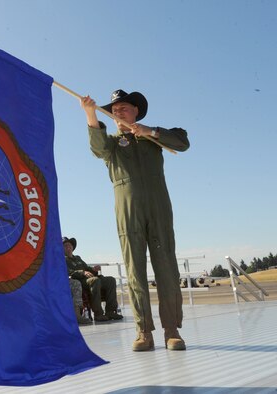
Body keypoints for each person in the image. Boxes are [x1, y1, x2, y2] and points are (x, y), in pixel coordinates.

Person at [80, 89, 190, 351]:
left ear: (136, 111)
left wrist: (150, 132)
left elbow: (183, 142)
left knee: (166, 268)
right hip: (128, 211)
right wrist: (90, 114)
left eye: (124, 108)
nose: (119, 112)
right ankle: (144, 332)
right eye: (114, 110)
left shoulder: (154, 138)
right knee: (135, 271)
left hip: (158, 208)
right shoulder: (112, 144)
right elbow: (97, 148)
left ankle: (172, 330)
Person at [63, 237, 123, 322]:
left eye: (69, 245)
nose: (68, 247)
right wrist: (82, 272)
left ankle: (110, 311)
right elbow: (68, 272)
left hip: (90, 278)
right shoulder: (62, 259)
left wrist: (93, 269)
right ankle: (98, 314)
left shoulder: (78, 258)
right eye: (65, 246)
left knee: (111, 280)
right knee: (95, 280)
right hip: (80, 281)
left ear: (72, 247)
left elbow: (87, 268)